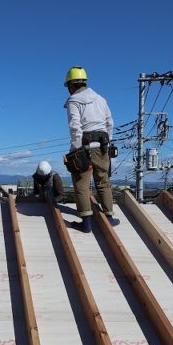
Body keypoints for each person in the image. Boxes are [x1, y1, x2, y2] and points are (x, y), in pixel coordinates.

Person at [63, 66, 118, 232]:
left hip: (84, 147)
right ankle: (109, 218)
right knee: (103, 182)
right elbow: (110, 123)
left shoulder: (74, 101)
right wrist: (106, 144)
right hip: (102, 146)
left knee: (81, 185)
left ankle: (86, 223)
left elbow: (75, 127)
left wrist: (76, 150)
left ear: (71, 85)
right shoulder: (101, 99)